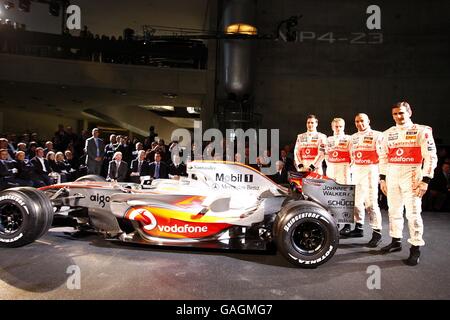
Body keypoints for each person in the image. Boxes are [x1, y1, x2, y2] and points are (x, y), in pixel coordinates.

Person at [379, 101, 437, 266]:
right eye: (395, 114)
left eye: (401, 113)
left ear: (409, 112)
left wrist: (426, 180)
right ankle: (396, 241)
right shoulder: (386, 134)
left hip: (412, 175)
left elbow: (431, 157)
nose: (398, 116)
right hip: (391, 175)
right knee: (394, 210)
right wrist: (382, 179)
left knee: (412, 213)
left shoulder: (422, 131)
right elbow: (383, 158)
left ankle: (415, 247)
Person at [345, 113, 383, 248]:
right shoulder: (353, 137)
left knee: (371, 204)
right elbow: (351, 155)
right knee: (355, 203)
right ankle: (359, 227)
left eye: (362, 121)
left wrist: (381, 175)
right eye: (356, 121)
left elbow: (383, 156)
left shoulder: (378, 135)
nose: (359, 123)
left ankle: (377, 232)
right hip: (356, 173)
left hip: (370, 173)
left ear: (368, 121)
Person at [326, 118, 353, 236]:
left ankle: (347, 225)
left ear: (344, 126)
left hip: (344, 170)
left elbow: (352, 156)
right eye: (336, 126)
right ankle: (334, 223)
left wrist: (348, 169)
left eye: (340, 126)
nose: (338, 128)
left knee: (345, 197)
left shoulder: (349, 138)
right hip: (331, 169)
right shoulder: (328, 139)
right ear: (332, 127)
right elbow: (326, 155)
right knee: (332, 197)